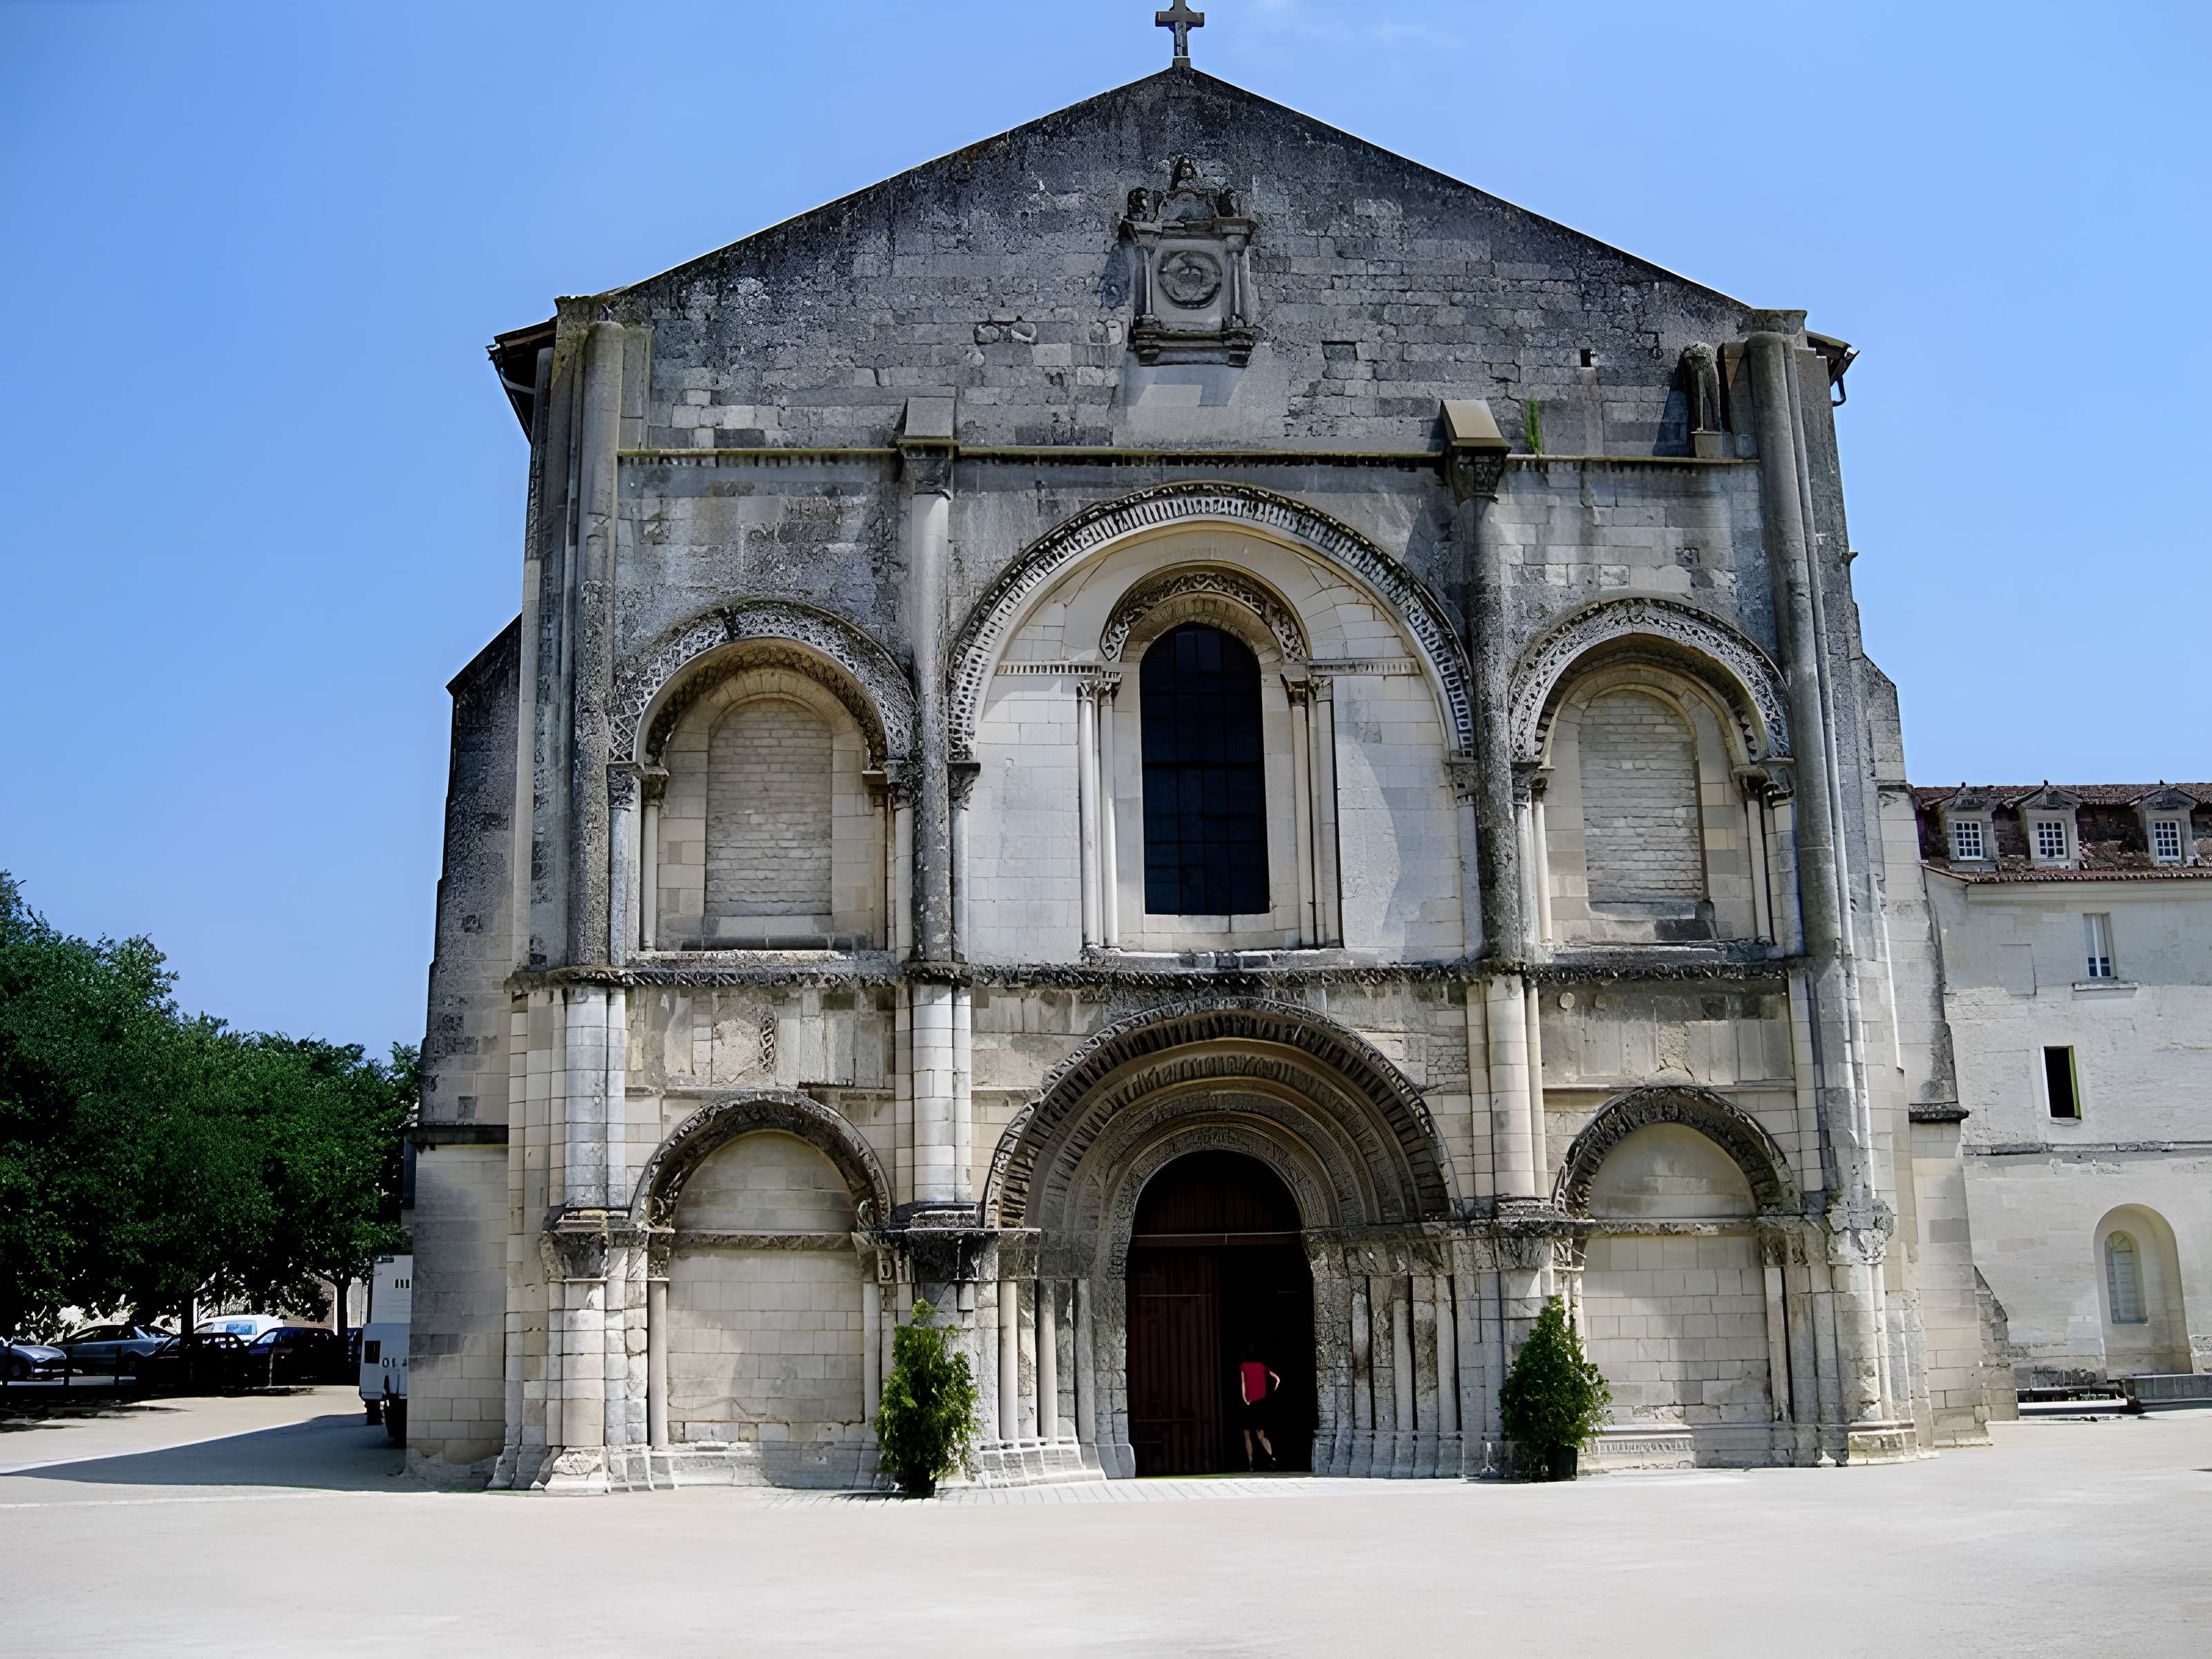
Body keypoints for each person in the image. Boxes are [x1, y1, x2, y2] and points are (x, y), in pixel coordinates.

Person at [1237, 1347, 1281, 1470]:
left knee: (1247, 1435)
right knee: (1261, 1434)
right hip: (1260, 1403)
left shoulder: (1243, 1366)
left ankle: (1250, 1464)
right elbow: (1277, 1379)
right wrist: (1273, 1390)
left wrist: (1245, 1400)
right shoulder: (1262, 1366)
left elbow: (1243, 1384)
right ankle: (1271, 1456)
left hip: (1249, 1403)